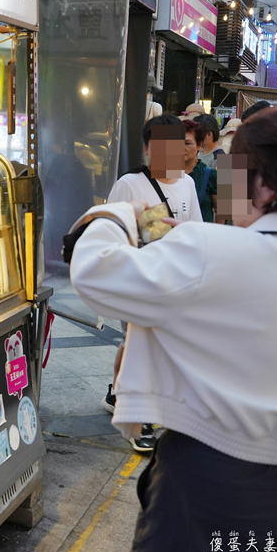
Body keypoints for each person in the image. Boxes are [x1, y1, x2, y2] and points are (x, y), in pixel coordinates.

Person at [68, 108, 277, 552]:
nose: (225, 184)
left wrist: (118, 214)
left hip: (212, 481)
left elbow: (94, 274)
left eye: (234, 171)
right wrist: (195, 245)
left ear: (265, 185)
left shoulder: (210, 251)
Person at [101, 115, 202, 452]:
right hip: (139, 278)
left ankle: (118, 395)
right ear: (147, 149)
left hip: (175, 278)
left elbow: (195, 229)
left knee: (143, 343)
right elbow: (111, 231)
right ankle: (138, 419)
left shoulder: (187, 183)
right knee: (142, 344)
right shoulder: (130, 184)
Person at [183, 119, 217, 222]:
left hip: (203, 231)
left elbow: (223, 212)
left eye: (187, 143)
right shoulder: (165, 175)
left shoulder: (210, 174)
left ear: (199, 145)